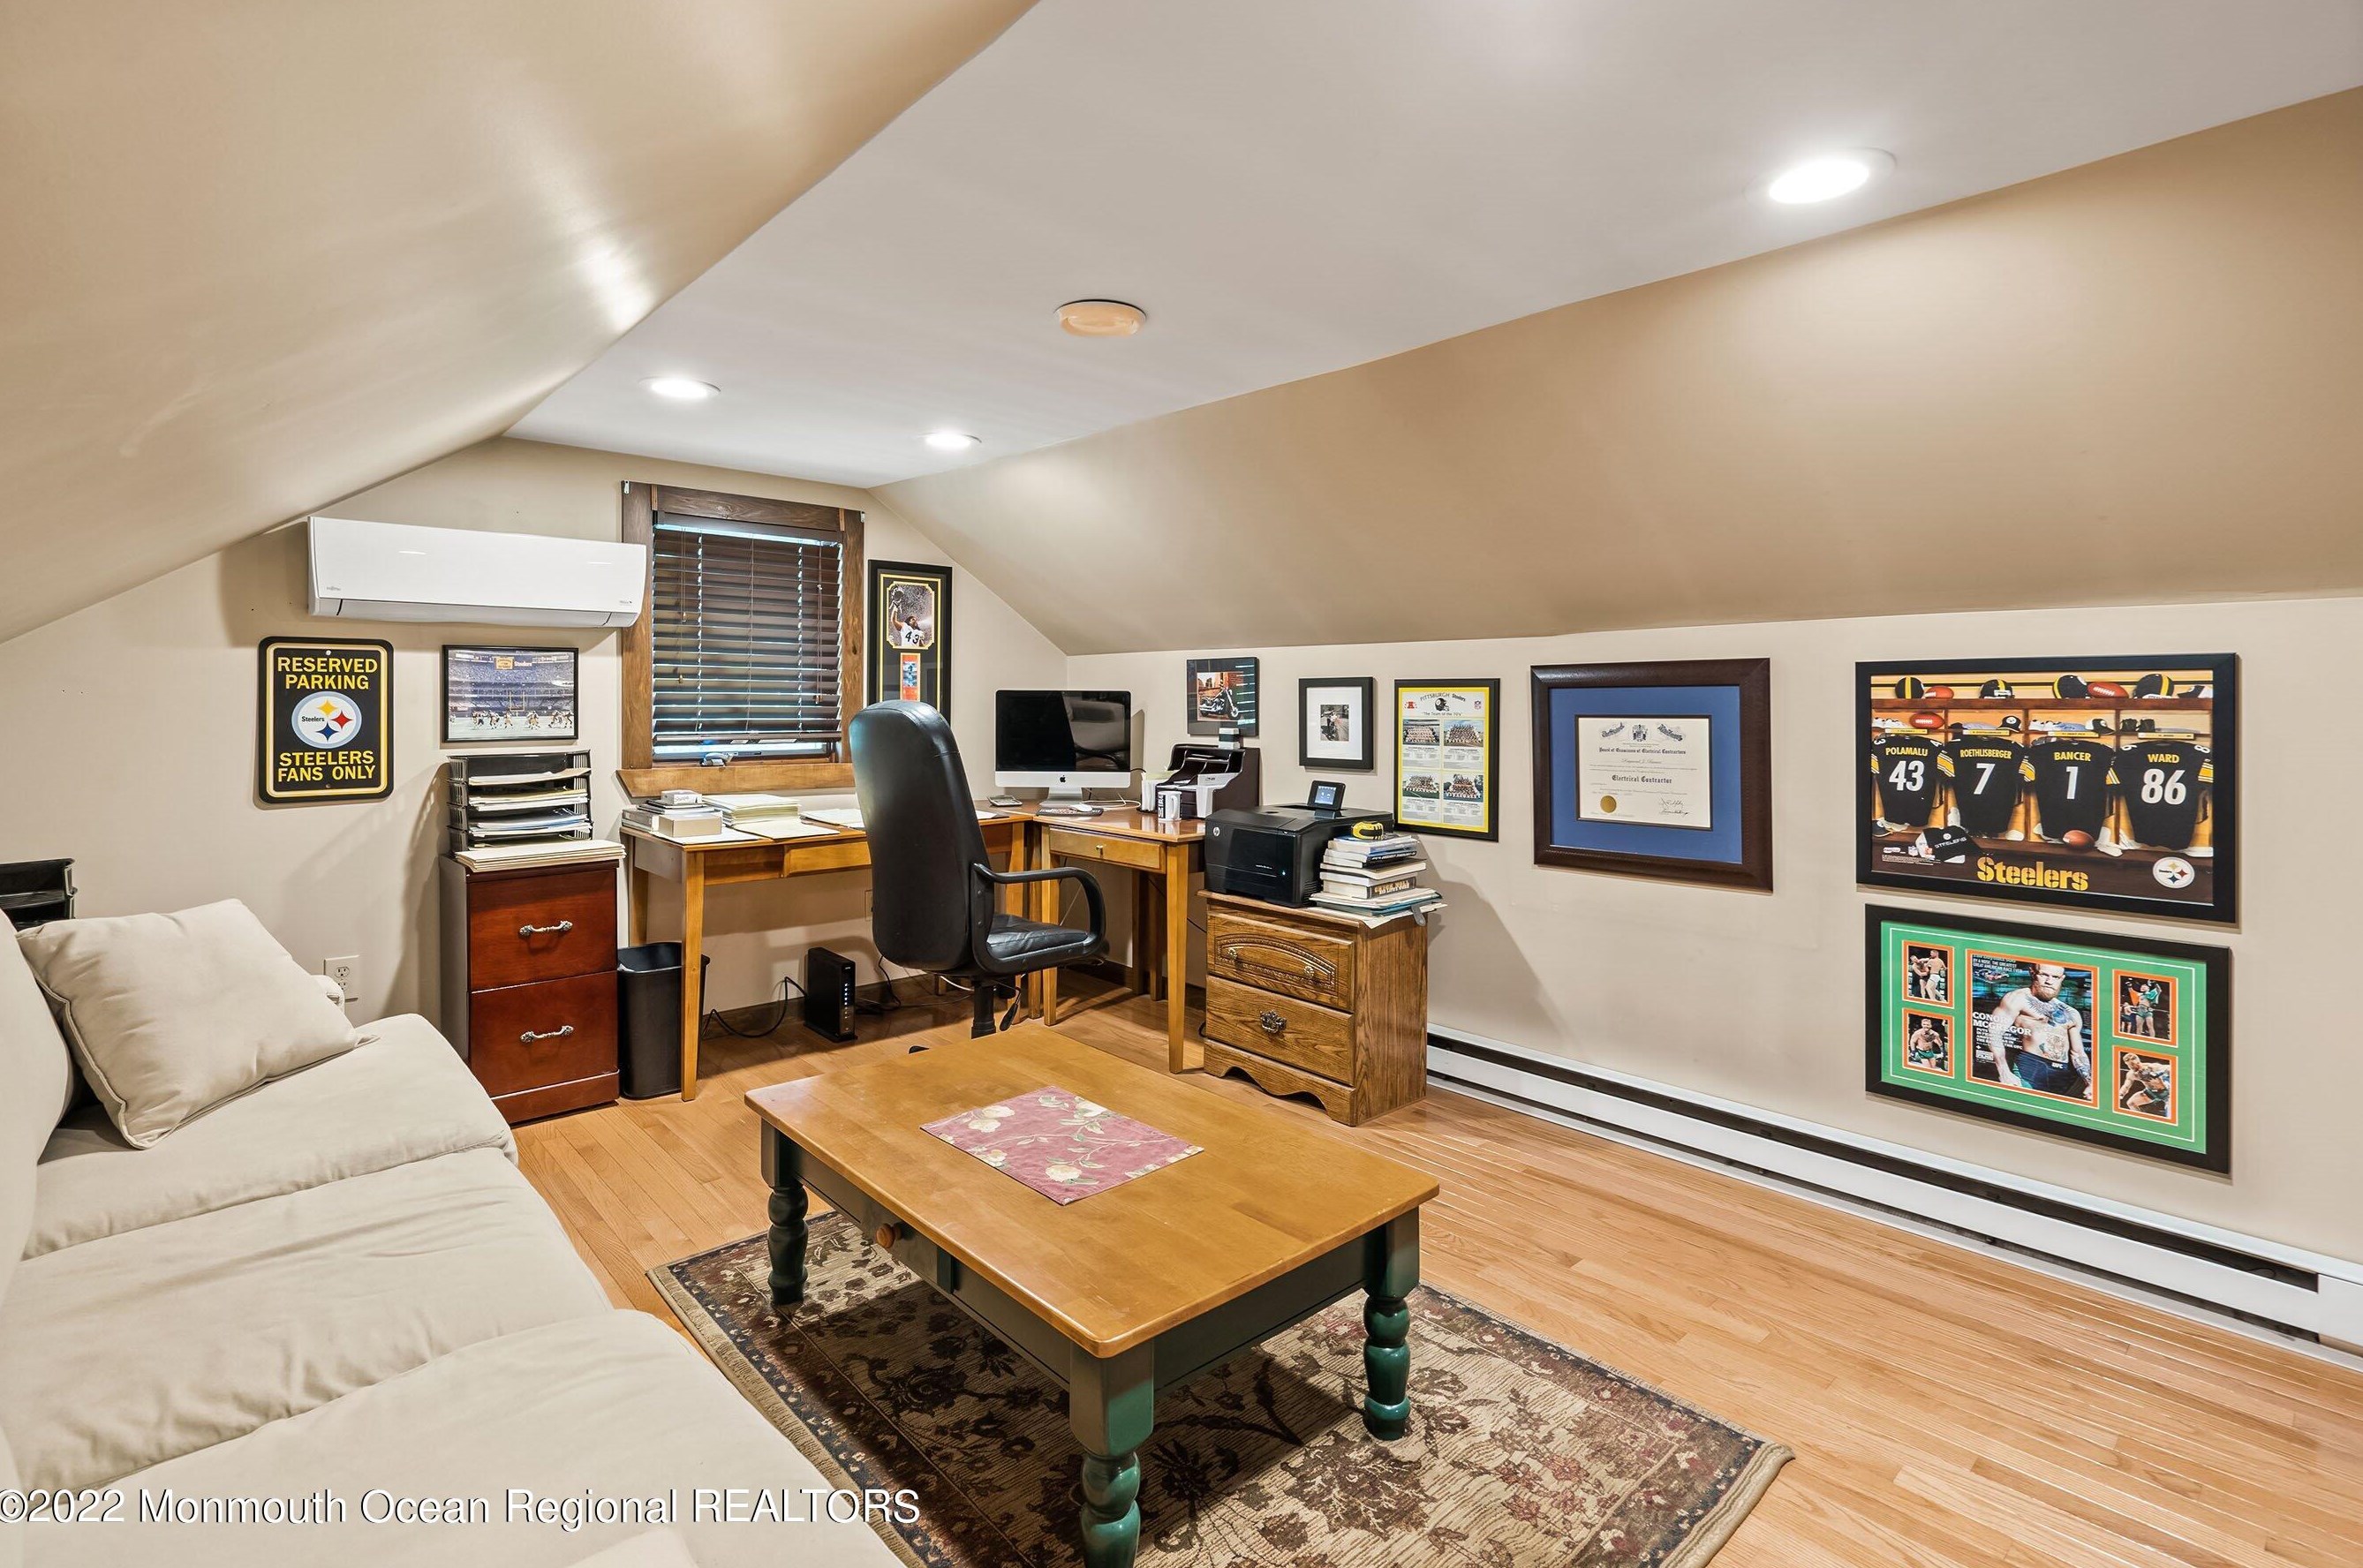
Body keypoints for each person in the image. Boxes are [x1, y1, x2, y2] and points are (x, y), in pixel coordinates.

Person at [1984, 961, 2090, 1099]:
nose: (2049, 981)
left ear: (2062, 978)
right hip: (2031, 1067)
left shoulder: (2072, 1013)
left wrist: (2090, 1082)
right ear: (2032, 973)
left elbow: (2078, 1053)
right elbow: (1993, 1033)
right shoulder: (2018, 998)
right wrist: (2003, 1071)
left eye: (2055, 977)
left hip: (2063, 1075)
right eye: (2044, 975)